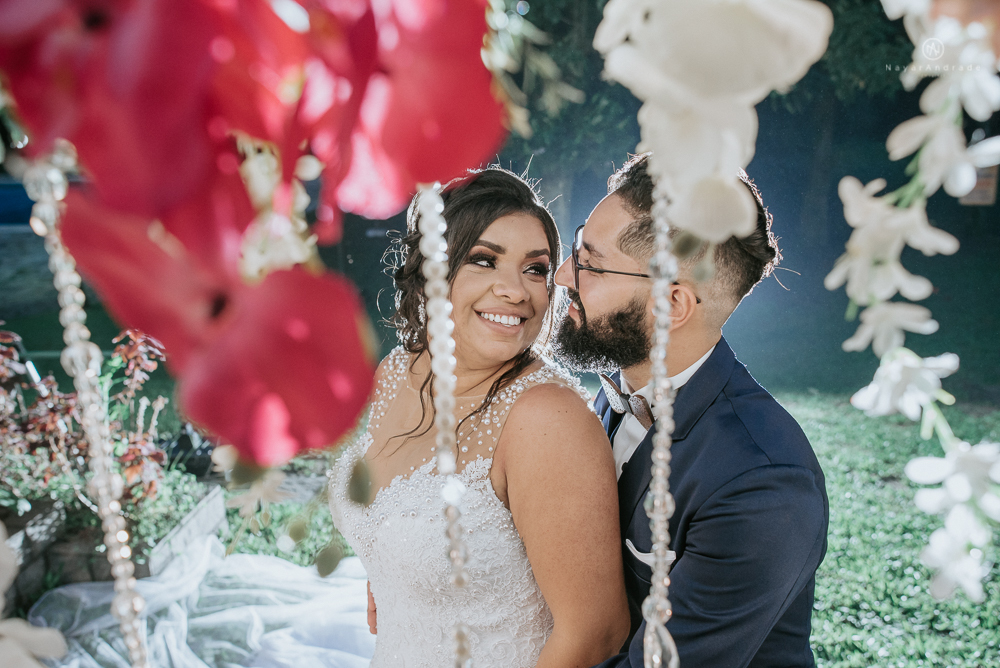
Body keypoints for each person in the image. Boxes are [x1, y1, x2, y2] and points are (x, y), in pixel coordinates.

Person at [328, 167, 630, 667]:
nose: (515, 291)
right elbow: (396, 511)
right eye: (484, 261)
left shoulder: (547, 419)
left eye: (536, 269)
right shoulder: (399, 370)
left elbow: (595, 634)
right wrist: (390, 569)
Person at [553, 154, 829, 668]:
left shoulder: (763, 487)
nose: (565, 274)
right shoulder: (618, 390)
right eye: (576, 248)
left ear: (670, 306)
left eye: (590, 262)